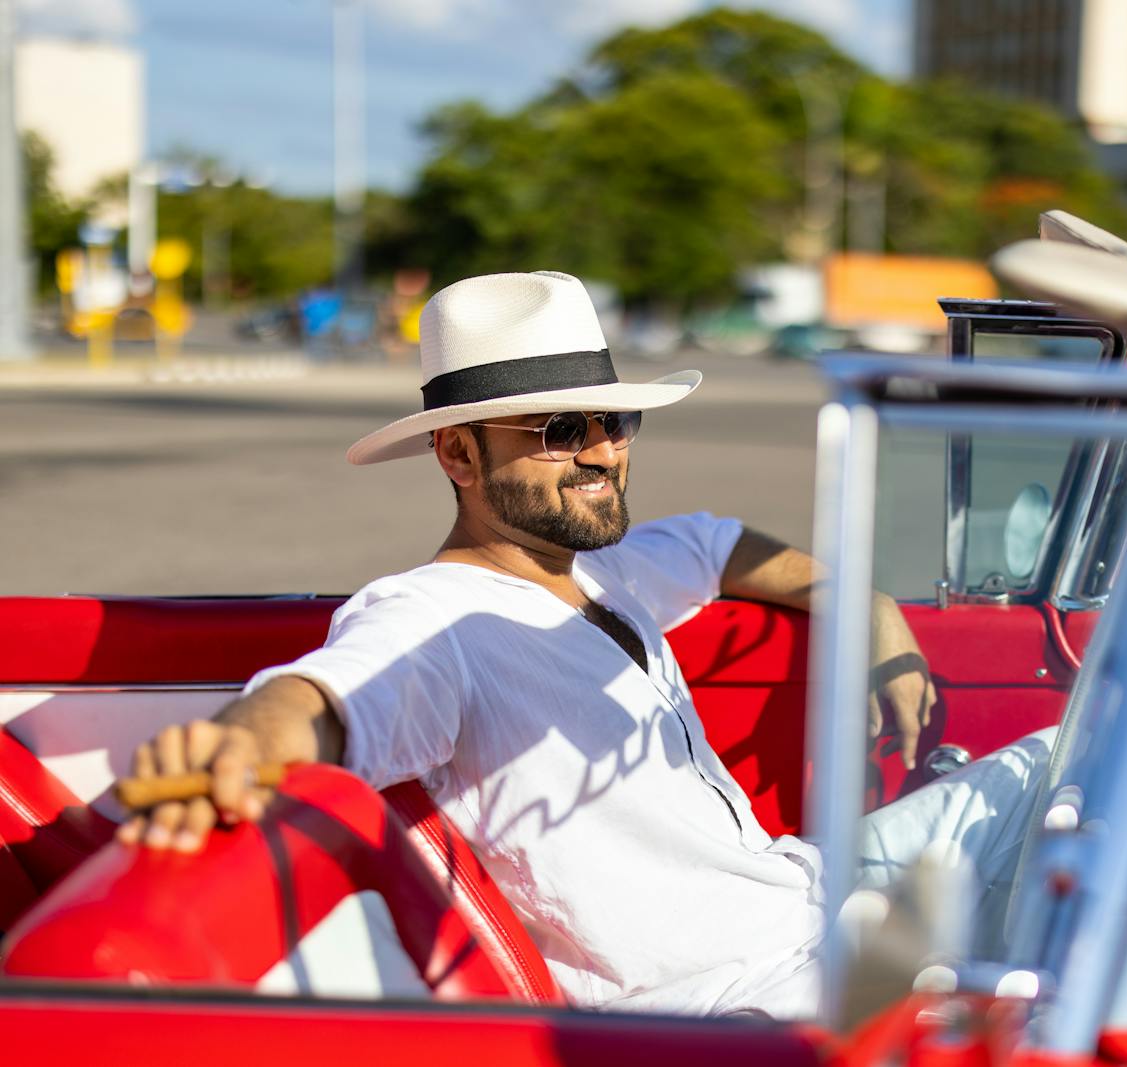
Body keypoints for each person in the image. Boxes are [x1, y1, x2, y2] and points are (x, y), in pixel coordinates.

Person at [118, 272, 1053, 1017]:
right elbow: (330, 694)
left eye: (616, 419)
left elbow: (719, 543)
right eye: (562, 429)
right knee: (1091, 1013)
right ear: (458, 456)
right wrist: (241, 742)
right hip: (753, 996)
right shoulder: (433, 619)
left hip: (810, 887)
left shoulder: (604, 568)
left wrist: (871, 606)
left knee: (1074, 759)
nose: (604, 450)